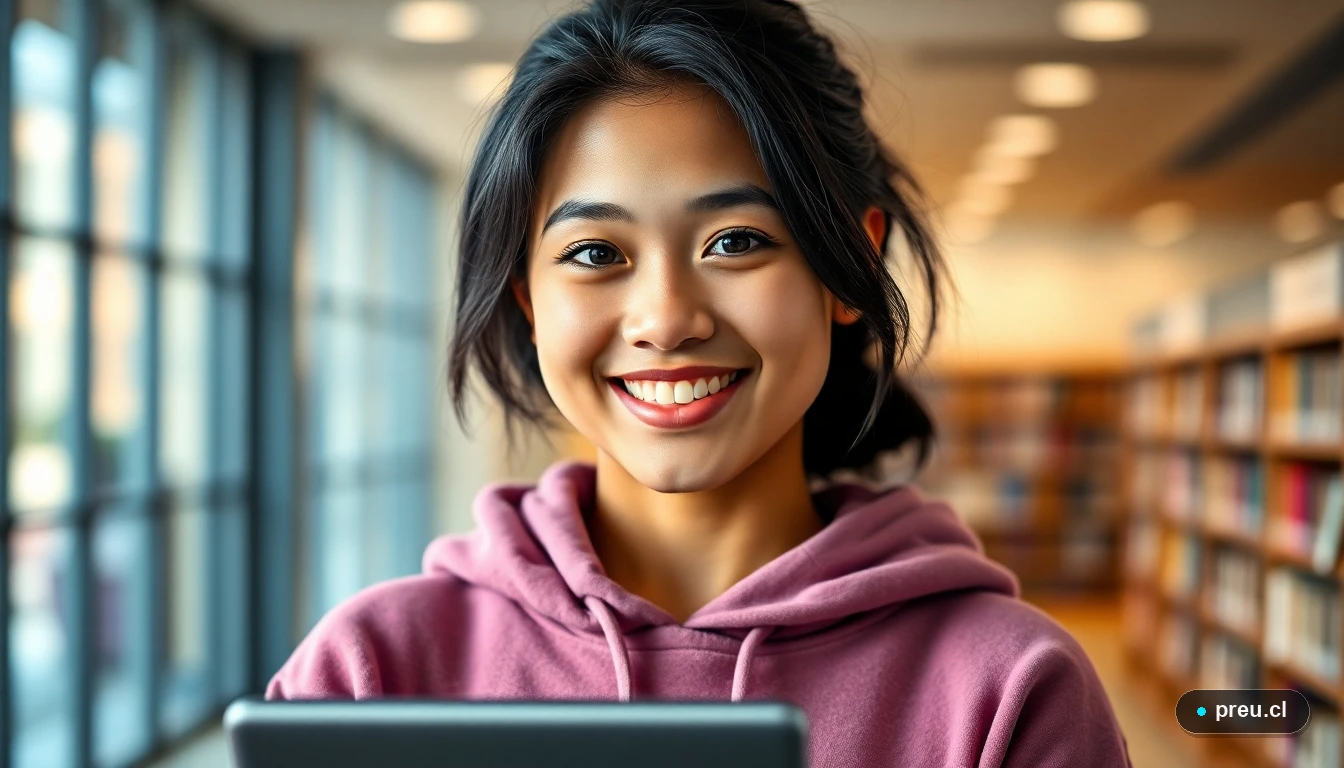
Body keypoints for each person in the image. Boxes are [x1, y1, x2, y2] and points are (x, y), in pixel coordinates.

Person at [267, 1, 1133, 765]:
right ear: (529, 297)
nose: (667, 318)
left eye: (735, 241)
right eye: (595, 254)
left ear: (848, 266)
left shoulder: (1010, 694)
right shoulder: (370, 673)